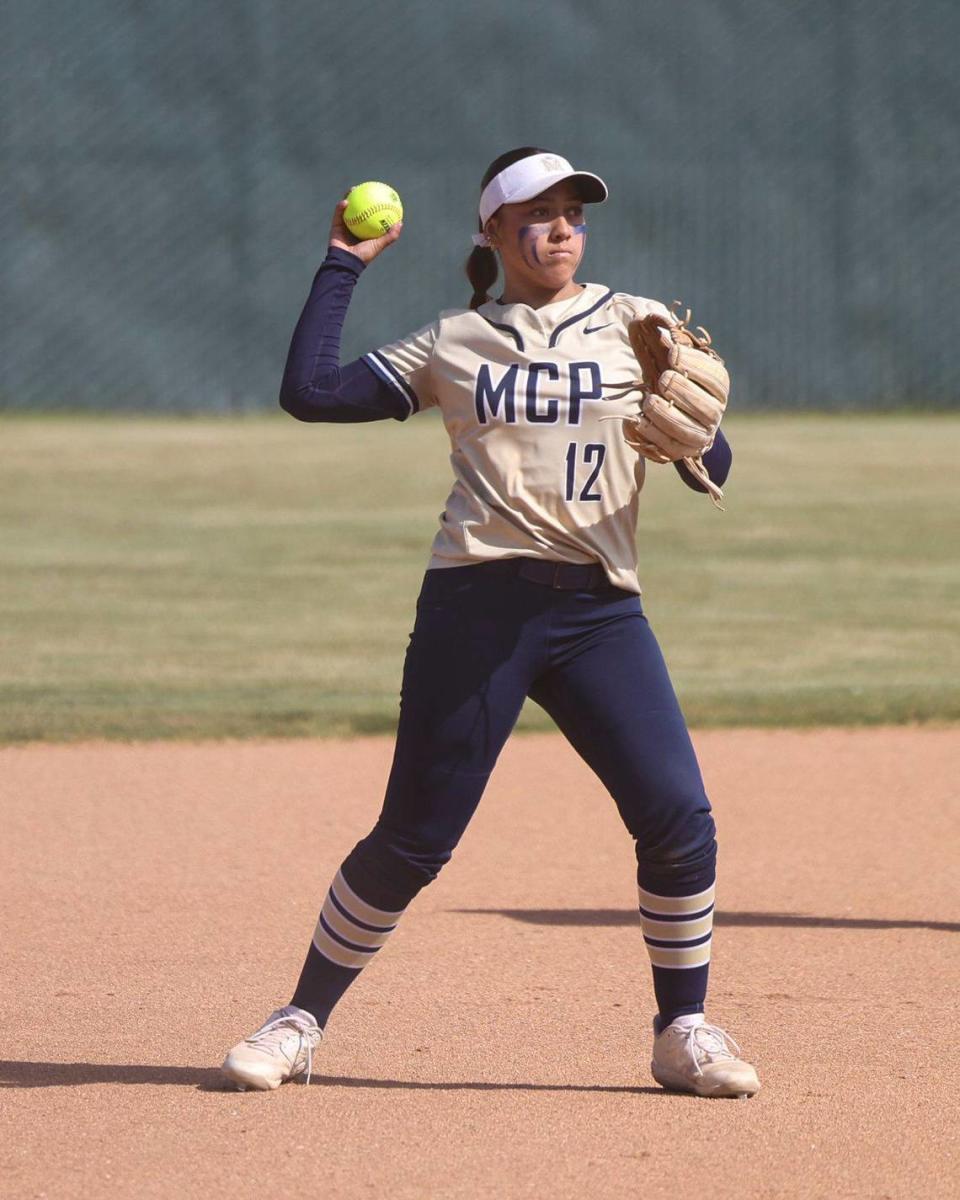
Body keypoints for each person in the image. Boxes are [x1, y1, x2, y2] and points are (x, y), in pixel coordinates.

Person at [220, 147, 760, 1099]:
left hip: (600, 610)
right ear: (494, 232)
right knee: (415, 838)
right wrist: (345, 261)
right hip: (476, 602)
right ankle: (299, 1019)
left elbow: (711, 460)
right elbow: (310, 393)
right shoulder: (453, 343)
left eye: (573, 214)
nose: (561, 229)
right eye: (538, 214)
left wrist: (699, 436)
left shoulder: (636, 322)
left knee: (679, 817)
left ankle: (684, 1029)